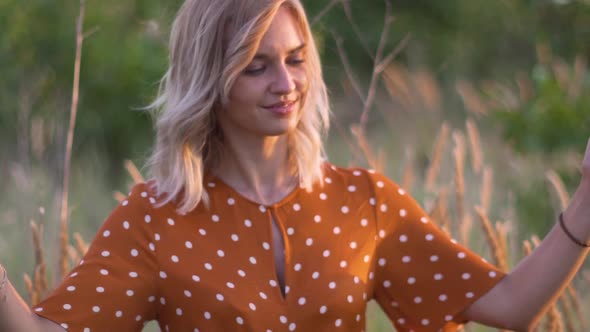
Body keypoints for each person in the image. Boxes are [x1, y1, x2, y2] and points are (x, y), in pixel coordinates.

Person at [1, 0, 589, 331]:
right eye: (257, 67)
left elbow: (511, 305)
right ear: (211, 80)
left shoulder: (365, 202)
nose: (286, 84)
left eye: (296, 60)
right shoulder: (155, 219)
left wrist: (587, 196)